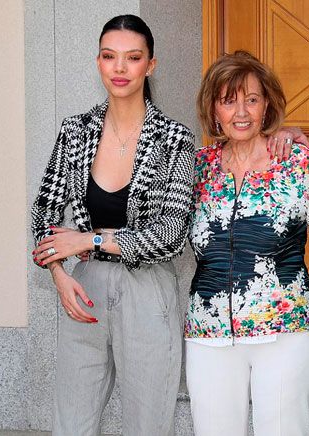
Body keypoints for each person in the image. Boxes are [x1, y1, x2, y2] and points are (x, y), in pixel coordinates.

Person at [30, 15, 194, 436]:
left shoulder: (174, 139)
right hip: (84, 289)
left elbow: (171, 236)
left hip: (148, 288)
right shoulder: (75, 131)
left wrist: (88, 238)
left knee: (148, 422)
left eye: (132, 57)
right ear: (98, 62)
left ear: (150, 66)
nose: (119, 68)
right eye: (109, 56)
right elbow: (44, 213)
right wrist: (59, 276)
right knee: (72, 422)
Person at [185, 50, 309, 436]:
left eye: (251, 100)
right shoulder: (196, 168)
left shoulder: (297, 163)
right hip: (209, 333)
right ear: (213, 109)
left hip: (286, 330)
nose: (241, 112)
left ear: (266, 105)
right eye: (228, 100)